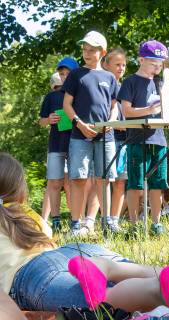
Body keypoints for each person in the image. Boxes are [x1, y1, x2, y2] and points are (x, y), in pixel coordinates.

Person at [0, 152, 169, 320]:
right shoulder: (25, 213)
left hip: (32, 273)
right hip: (74, 252)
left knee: (102, 304)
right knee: (125, 271)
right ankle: (162, 276)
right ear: (19, 191)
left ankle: (155, 290)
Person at [62, 31, 120, 235]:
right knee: (78, 179)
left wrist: (111, 120)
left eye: (92, 50)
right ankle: (76, 224)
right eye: (85, 49)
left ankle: (107, 223)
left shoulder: (109, 77)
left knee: (104, 179)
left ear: (102, 52)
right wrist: (78, 123)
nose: (87, 53)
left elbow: (114, 105)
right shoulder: (76, 74)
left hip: (106, 136)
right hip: (80, 135)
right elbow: (66, 104)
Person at [118, 40, 169, 235]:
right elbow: (126, 111)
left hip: (158, 139)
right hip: (137, 139)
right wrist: (149, 110)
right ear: (141, 60)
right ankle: (134, 225)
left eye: (160, 64)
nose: (157, 68)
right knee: (135, 183)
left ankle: (156, 223)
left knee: (158, 183)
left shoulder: (161, 82)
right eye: (153, 63)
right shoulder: (130, 81)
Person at [39, 57, 79, 231]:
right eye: (61, 74)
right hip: (56, 145)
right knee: (54, 183)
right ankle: (55, 220)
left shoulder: (80, 94)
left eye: (67, 73)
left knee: (74, 183)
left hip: (77, 144)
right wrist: (49, 119)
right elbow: (41, 120)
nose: (63, 77)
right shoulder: (52, 96)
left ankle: (76, 219)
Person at [103, 48, 128, 226]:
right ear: (106, 64)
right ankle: (101, 217)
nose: (121, 68)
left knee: (120, 181)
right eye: (117, 64)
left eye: (124, 65)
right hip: (108, 138)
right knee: (104, 180)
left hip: (125, 139)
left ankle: (115, 219)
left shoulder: (126, 87)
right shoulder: (102, 85)